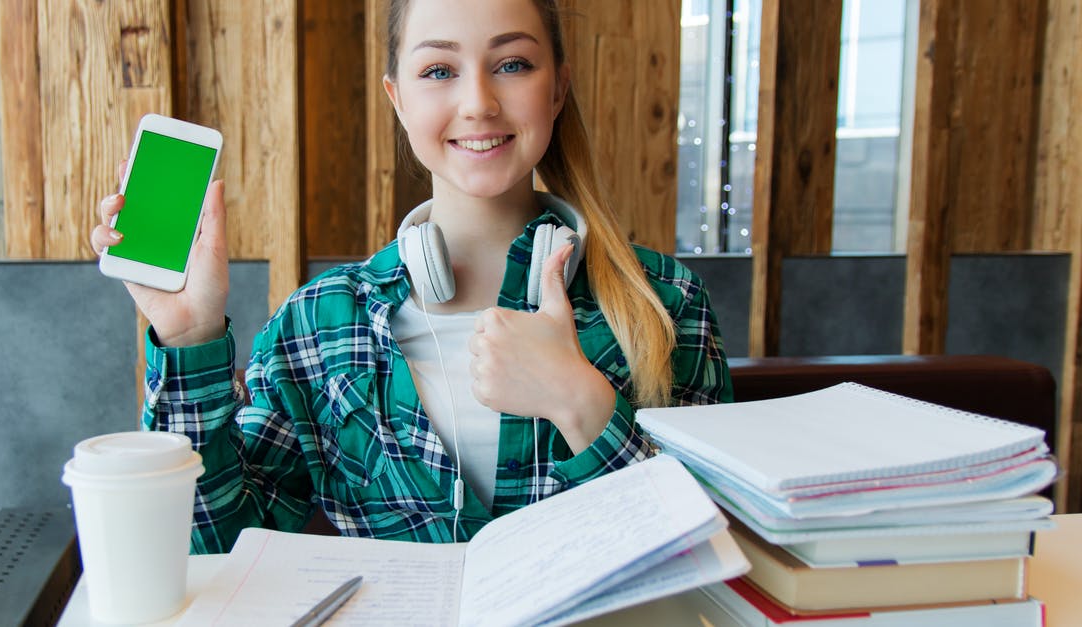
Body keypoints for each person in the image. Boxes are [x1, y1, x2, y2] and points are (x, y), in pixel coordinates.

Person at [90, 0, 732, 554]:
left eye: (512, 64)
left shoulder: (665, 301)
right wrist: (189, 335)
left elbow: (718, 556)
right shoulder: (322, 324)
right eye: (439, 71)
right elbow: (210, 546)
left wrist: (579, 401)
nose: (478, 102)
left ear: (557, 88)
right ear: (397, 97)